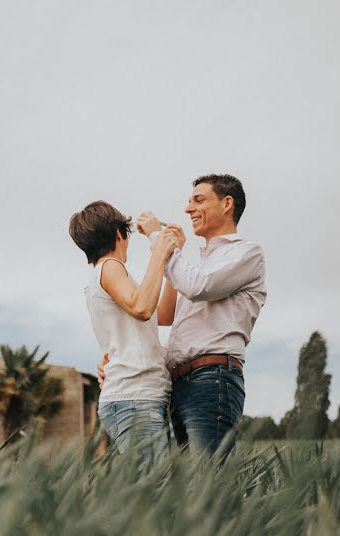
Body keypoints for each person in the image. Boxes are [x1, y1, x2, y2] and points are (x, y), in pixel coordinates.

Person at [98, 174, 267, 457]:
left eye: (198, 200)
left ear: (227, 204)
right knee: (192, 491)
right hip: (181, 385)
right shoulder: (198, 263)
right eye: (189, 202)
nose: (188, 209)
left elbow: (197, 286)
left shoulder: (246, 253)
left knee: (209, 484)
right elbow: (167, 319)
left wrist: (157, 238)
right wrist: (122, 360)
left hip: (212, 380)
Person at [69, 200, 179, 461]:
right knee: (155, 492)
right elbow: (142, 307)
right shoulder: (109, 266)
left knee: (155, 490)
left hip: (138, 397)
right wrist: (158, 251)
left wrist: (171, 260)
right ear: (119, 233)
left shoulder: (108, 275)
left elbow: (162, 315)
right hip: (134, 398)